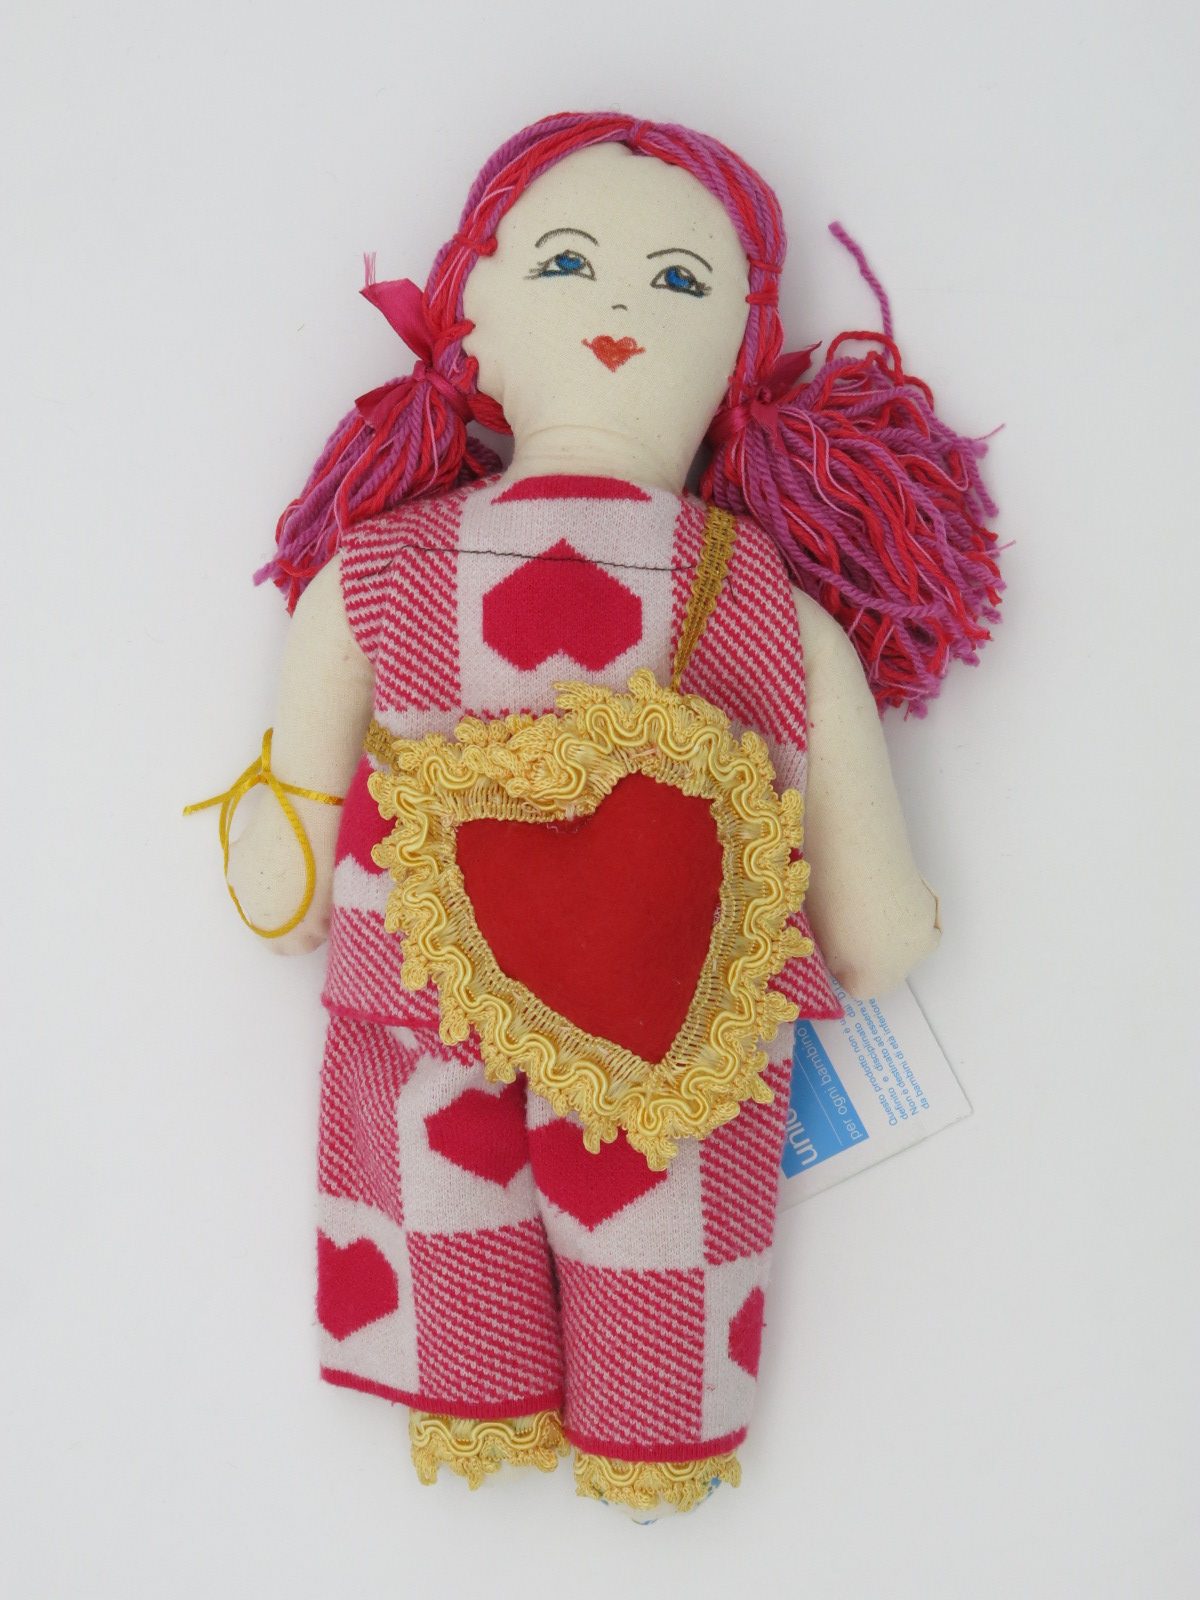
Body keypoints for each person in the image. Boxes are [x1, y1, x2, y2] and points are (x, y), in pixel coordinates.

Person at [212, 111, 1000, 1515]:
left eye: (679, 280)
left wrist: (284, 881)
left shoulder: (401, 569)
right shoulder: (752, 596)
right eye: (568, 264)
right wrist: (882, 925)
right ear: (475, 313)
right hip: (639, 998)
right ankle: (643, 1406)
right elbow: (868, 906)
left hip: (577, 995)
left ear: (738, 357)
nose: (623, 305)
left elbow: (300, 819)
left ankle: (522, 1387)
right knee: (664, 1191)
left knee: (461, 1165)